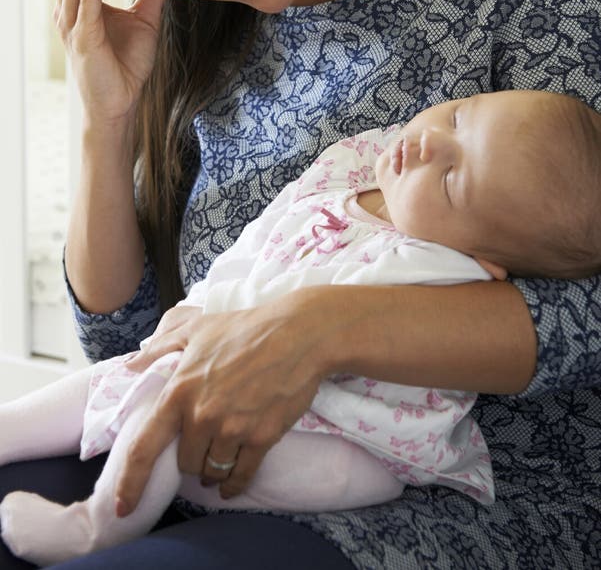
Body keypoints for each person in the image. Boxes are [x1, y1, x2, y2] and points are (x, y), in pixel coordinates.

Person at [4, 0, 600, 570]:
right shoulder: (195, 31)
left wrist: (316, 327)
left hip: (463, 497)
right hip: (197, 454)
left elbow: (589, 307)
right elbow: (121, 346)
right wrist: (107, 119)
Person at [2, 88, 600, 566]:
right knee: (123, 372)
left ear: (486, 261)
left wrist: (214, 325)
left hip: (343, 438)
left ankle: (96, 527)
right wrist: (199, 304)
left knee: (172, 395)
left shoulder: (442, 266)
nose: (429, 145)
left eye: (450, 180)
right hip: (225, 363)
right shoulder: (351, 168)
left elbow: (292, 306)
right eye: (460, 118)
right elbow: (255, 243)